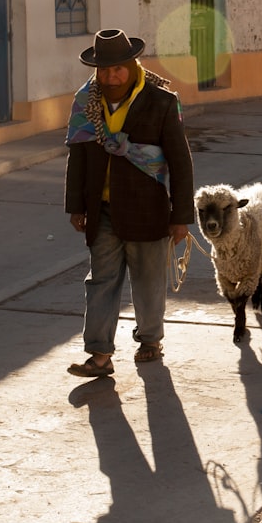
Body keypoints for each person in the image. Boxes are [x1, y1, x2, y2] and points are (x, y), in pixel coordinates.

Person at [64, 29, 195, 378]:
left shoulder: (161, 101)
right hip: (102, 210)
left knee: (149, 279)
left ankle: (150, 340)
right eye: (104, 71)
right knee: (101, 282)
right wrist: (76, 206)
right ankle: (99, 354)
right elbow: (77, 157)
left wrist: (181, 216)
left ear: (133, 65)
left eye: (118, 69)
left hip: (148, 210)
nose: (111, 77)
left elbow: (180, 162)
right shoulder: (84, 103)